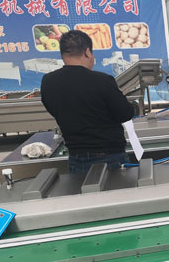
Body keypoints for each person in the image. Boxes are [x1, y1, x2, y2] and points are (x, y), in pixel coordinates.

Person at [41, 30, 135, 173]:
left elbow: (53, 109)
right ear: (87, 52)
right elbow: (125, 114)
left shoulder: (48, 82)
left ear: (62, 55)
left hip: (76, 160)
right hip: (110, 159)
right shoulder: (102, 80)